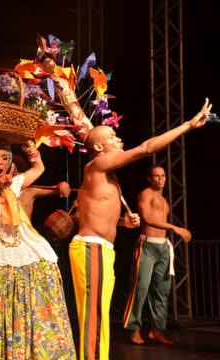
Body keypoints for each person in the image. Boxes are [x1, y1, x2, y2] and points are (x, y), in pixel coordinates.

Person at [69, 98, 212, 360]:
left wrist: (124, 223)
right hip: (91, 248)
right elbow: (146, 148)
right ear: (99, 147)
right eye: (113, 136)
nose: (118, 139)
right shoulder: (97, 165)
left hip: (102, 249)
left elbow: (95, 216)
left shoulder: (106, 174)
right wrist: (187, 126)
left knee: (99, 313)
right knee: (94, 315)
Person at [0, 139, 76, 359]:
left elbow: (39, 168)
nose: (0, 162)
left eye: (5, 158)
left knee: (45, 264)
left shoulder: (15, 184)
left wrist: (29, 147)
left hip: (16, 242)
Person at [123, 166, 191, 345]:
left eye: (163, 176)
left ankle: (157, 330)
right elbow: (146, 218)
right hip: (147, 246)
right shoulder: (145, 194)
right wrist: (174, 228)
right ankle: (134, 329)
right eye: (156, 176)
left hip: (163, 249)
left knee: (162, 292)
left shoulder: (164, 201)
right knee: (141, 288)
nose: (160, 179)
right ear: (149, 178)